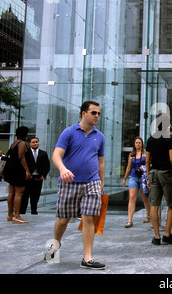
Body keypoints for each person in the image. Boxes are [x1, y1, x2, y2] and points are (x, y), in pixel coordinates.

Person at [45, 101, 106, 270]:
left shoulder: (99, 136)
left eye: (98, 113)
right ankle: (55, 244)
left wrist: (101, 181)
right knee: (63, 219)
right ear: (83, 113)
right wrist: (63, 169)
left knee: (88, 217)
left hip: (92, 182)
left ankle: (87, 258)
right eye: (93, 113)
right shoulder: (69, 132)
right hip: (69, 182)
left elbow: (100, 161)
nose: (97, 116)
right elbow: (56, 155)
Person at [146, 113, 172, 245]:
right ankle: (167, 234)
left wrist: (149, 176)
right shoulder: (169, 139)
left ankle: (156, 236)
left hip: (154, 173)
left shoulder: (150, 139)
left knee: (155, 205)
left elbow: (148, 160)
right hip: (167, 174)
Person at [4, 127, 32, 223]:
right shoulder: (22, 143)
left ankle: (10, 214)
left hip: (11, 170)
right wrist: (27, 171)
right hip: (18, 170)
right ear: (25, 134)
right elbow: (21, 157)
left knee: (11, 192)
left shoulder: (14, 143)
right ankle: (17, 215)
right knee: (19, 193)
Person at [122, 136, 150, 227]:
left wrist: (145, 169)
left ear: (142, 144)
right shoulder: (131, 154)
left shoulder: (146, 154)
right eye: (136, 142)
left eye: (139, 142)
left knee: (145, 197)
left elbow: (150, 164)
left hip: (143, 177)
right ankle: (129, 220)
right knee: (132, 197)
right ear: (134, 144)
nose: (138, 144)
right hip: (133, 177)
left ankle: (148, 215)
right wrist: (125, 178)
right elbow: (129, 167)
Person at [20, 137, 51, 215]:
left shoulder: (43, 153)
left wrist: (43, 175)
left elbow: (47, 166)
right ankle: (22, 211)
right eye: (33, 142)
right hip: (28, 178)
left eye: (36, 142)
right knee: (25, 195)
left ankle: (34, 210)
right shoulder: (26, 153)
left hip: (38, 178)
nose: (35, 143)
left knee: (36, 195)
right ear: (30, 143)